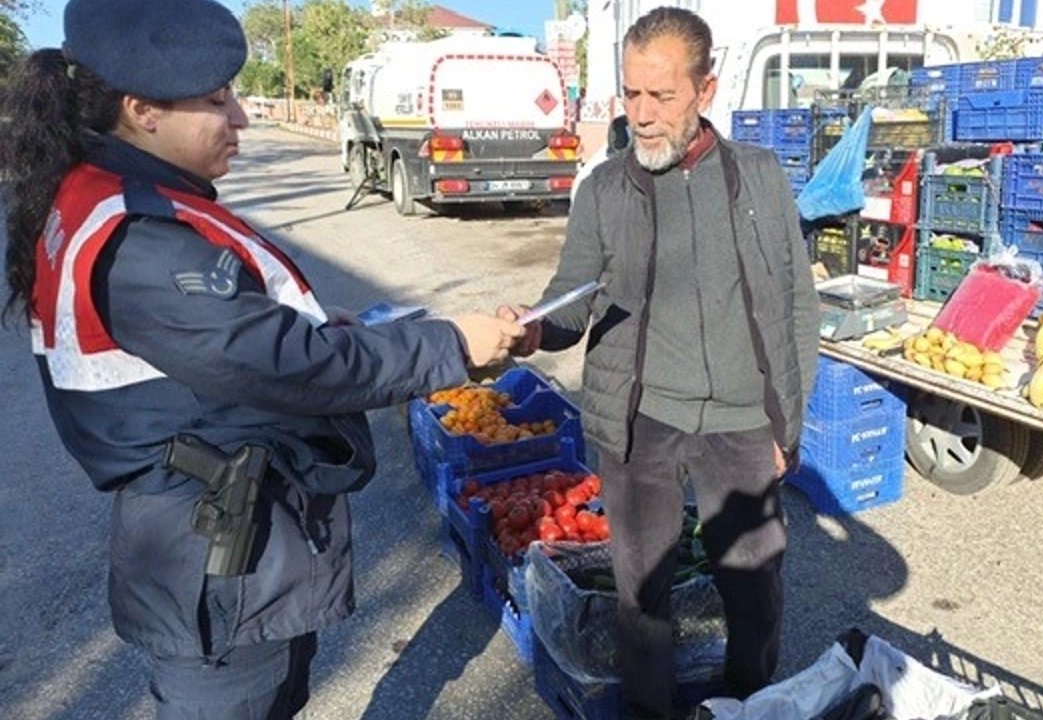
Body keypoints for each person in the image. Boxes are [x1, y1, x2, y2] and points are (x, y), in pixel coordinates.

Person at [0, 1, 524, 718]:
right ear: (143, 110)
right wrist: (455, 344)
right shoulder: (140, 241)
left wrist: (308, 320)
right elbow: (291, 364)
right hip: (216, 561)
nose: (241, 117)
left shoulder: (120, 196)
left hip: (221, 542)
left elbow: (225, 340)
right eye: (218, 101)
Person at [500, 7, 819, 718]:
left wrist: (785, 424)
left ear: (705, 91)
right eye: (631, 95)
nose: (641, 115)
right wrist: (532, 330)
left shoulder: (760, 178)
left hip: (740, 422)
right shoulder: (604, 190)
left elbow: (798, 303)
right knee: (643, 600)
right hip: (639, 422)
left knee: (755, 592)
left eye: (661, 96)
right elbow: (571, 299)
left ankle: (750, 704)